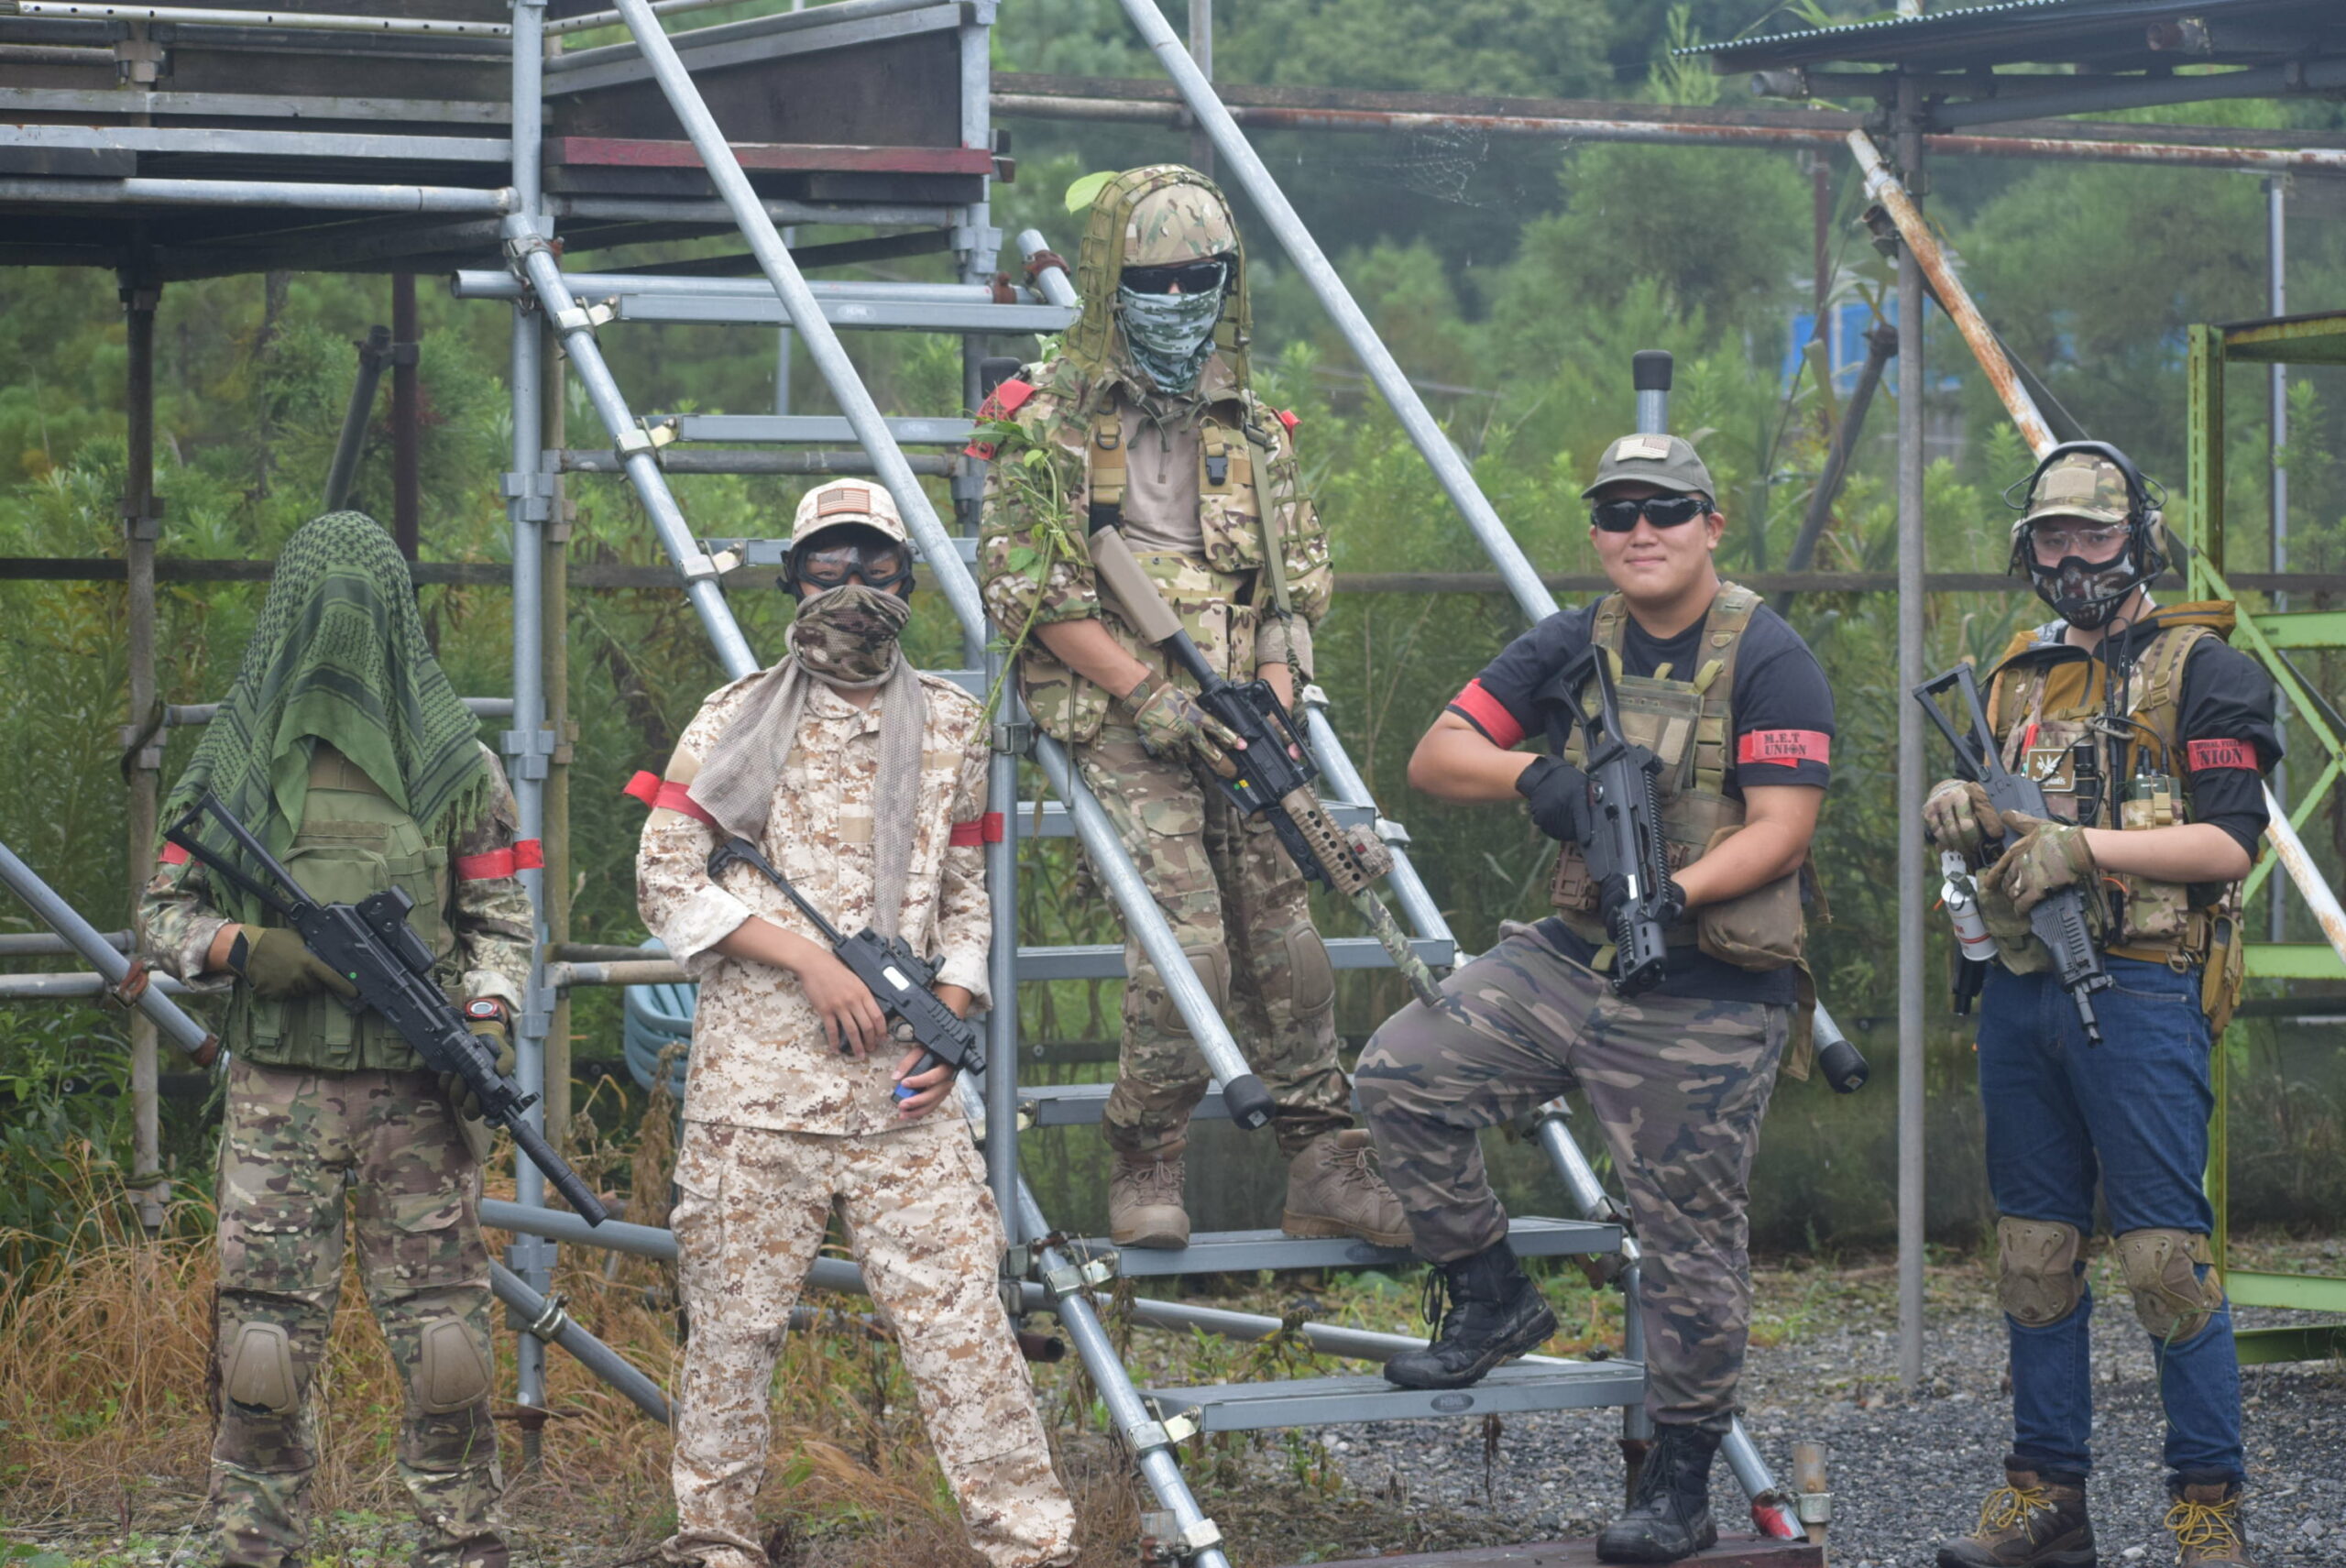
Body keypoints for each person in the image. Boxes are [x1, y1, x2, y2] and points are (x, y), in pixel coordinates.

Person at [1354, 433, 1834, 1564]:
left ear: (1710, 524)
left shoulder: (1771, 656)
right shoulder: (1573, 642)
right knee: (1400, 1072)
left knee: (1687, 1238)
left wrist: (1670, 893)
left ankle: (1680, 1476)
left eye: (1664, 509)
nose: (1640, 532)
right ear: (1596, 532)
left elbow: (1781, 828)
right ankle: (1488, 1292)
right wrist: (1535, 774)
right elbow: (1435, 754)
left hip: (1709, 986)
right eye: (1618, 512)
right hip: (1570, 959)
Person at [634, 480, 1076, 1568]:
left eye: (874, 564)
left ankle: (1029, 1544)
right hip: (756, 1097)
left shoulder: (953, 723)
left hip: (901, 1098)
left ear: (907, 580)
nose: (852, 587)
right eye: (827, 564)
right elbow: (663, 879)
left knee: (965, 1330)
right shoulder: (732, 717)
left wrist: (950, 1015)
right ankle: (716, 1540)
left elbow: (966, 896)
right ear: (793, 579)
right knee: (731, 1337)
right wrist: (810, 961)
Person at [975, 163, 1406, 1251]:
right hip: (1121, 718)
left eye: (1198, 280)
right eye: (1153, 283)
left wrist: (1273, 703)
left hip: (1242, 718)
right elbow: (1030, 594)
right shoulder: (1046, 422)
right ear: (1112, 284)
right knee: (1190, 946)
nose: (1177, 302)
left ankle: (1323, 1155)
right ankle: (1145, 1148)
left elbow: (1289, 592)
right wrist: (1150, 696)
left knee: (1288, 942)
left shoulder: (1252, 429)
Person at [139, 511, 535, 1568]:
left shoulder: (457, 764)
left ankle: (463, 1540)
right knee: (263, 1343)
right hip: (280, 1092)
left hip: (418, 1096)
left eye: (365, 604)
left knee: (446, 1340)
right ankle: (254, 1543)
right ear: (291, 613)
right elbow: (160, 913)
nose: (344, 629)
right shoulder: (234, 760)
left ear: (396, 616)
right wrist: (244, 947)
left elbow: (500, 922)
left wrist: (486, 1020)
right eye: (326, 605)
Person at [1928, 444, 2275, 1568]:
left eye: (2095, 533)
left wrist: (2086, 847)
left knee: (2163, 1262)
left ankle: (2207, 1504)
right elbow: (2003, 821)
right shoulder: (2014, 677)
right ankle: (2046, 1499)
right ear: (2024, 548)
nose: (2073, 556)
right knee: (2033, 1255)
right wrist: (1963, 807)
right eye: (2052, 536)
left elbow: (2229, 841)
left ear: (2140, 540)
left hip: (2142, 990)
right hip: (2019, 989)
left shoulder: (2204, 669)